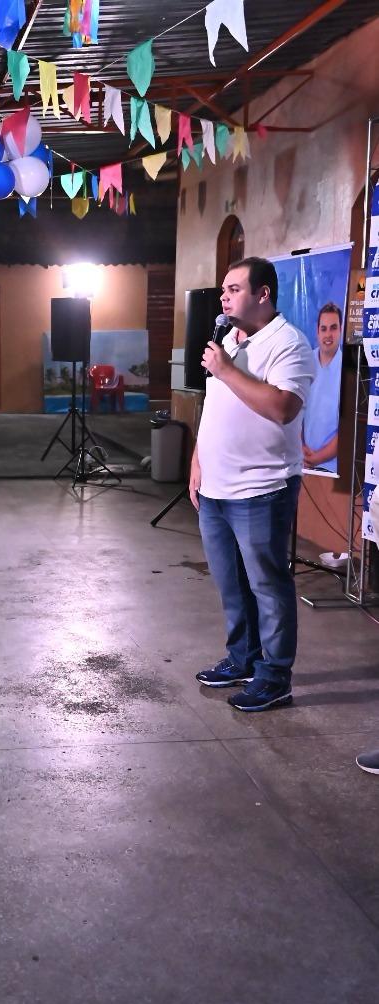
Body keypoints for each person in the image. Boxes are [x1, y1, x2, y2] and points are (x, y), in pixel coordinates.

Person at [190, 257, 317, 713]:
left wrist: (227, 370)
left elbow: (283, 408)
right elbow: (214, 408)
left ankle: (274, 676)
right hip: (216, 488)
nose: (223, 297)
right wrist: (197, 461)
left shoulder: (289, 344)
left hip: (262, 488)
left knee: (268, 586)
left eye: (234, 288)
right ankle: (243, 658)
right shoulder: (228, 340)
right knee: (231, 584)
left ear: (263, 294)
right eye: (223, 289)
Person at [301, 302, 343, 474]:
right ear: (317, 331)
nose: (328, 334)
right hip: (301, 462)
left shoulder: (347, 369)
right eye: (323, 328)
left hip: (333, 467)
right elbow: (294, 410)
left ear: (341, 330)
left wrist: (318, 458)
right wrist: (301, 449)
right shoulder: (305, 361)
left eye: (333, 328)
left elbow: (347, 429)